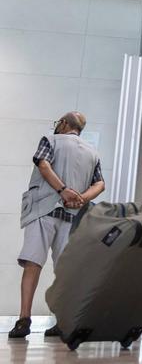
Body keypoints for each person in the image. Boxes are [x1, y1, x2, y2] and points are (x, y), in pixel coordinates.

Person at [10, 112, 104, 339]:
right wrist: (80, 197)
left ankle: (24, 320)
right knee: (65, 271)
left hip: (44, 209)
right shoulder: (92, 152)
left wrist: (63, 190)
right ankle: (63, 323)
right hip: (72, 216)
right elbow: (100, 183)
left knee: (33, 264)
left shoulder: (49, 140)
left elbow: (43, 164)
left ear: (63, 124)